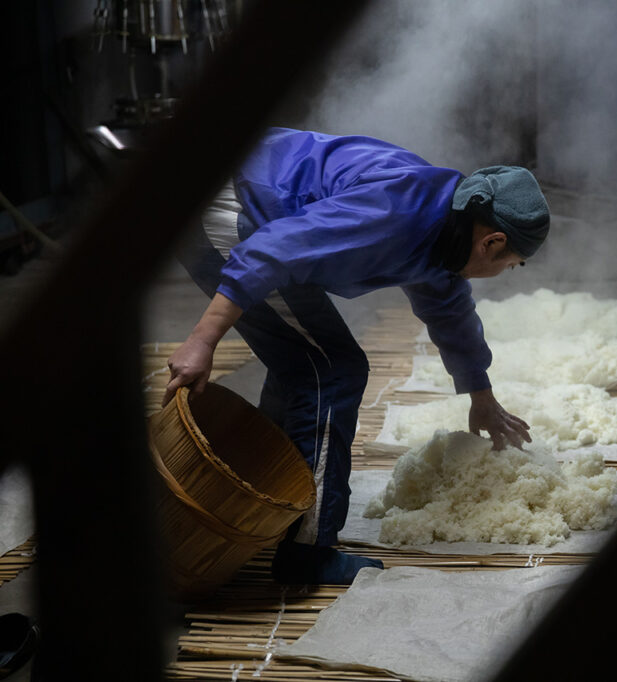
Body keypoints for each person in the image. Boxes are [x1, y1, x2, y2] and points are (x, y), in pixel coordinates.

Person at [164, 127, 550, 585]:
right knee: (334, 370)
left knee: (308, 363)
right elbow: (272, 250)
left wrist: (481, 396)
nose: (503, 273)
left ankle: (269, 501)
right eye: (511, 265)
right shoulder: (399, 210)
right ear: (493, 243)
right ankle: (307, 551)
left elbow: (450, 311)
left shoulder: (449, 228)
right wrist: (202, 340)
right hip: (227, 206)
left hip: (252, 214)